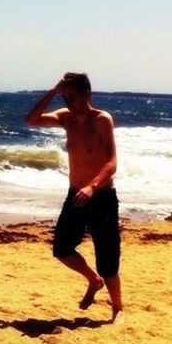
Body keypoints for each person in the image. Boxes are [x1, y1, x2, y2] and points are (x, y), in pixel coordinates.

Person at [25, 72, 123, 323]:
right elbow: (32, 120)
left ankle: (118, 309)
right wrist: (53, 90)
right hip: (75, 195)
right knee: (62, 249)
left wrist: (92, 186)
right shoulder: (66, 119)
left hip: (100, 196)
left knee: (108, 259)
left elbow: (112, 163)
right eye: (65, 98)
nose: (69, 103)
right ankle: (93, 281)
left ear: (87, 95)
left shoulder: (101, 120)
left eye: (73, 97)